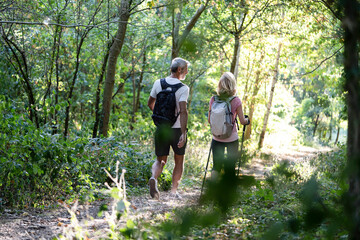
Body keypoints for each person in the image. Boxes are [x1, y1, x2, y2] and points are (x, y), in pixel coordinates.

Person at [147, 57, 190, 200]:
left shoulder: (158, 83)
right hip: (177, 129)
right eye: (186, 69)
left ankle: (154, 177)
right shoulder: (183, 88)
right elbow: (183, 111)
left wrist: (161, 118)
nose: (187, 72)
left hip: (162, 128)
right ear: (179, 70)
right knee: (179, 161)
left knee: (160, 160)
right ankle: (173, 191)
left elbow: (150, 103)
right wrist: (183, 133)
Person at [208, 72, 250, 178]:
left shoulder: (214, 99)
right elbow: (242, 121)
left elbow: (209, 120)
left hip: (216, 137)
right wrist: (247, 120)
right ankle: (227, 192)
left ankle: (212, 191)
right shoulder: (236, 100)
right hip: (231, 138)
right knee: (230, 167)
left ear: (220, 84)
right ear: (232, 85)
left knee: (216, 167)